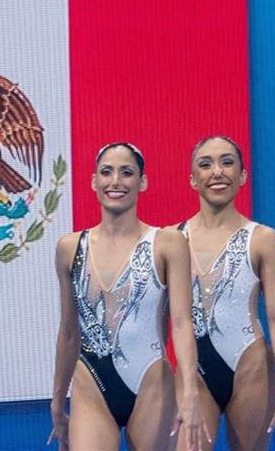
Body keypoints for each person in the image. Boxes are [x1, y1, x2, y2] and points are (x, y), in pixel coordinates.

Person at [48, 143, 207, 451]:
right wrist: (57, 402)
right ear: (94, 181)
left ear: (142, 182)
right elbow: (68, 332)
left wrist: (189, 392)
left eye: (127, 173)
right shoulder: (69, 248)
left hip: (151, 383)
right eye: (106, 172)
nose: (116, 182)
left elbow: (182, 323)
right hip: (91, 383)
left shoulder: (168, 243)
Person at [172, 136, 275, 451]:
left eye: (227, 162)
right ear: (192, 179)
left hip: (251, 370)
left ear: (242, 176)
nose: (217, 172)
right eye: (206, 164)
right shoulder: (170, 241)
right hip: (193, 375)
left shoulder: (264, 240)